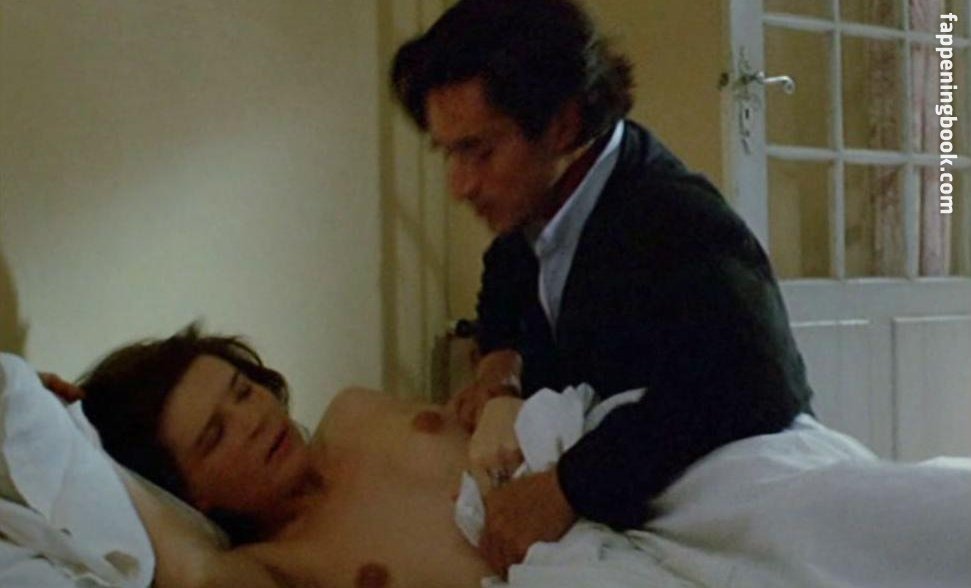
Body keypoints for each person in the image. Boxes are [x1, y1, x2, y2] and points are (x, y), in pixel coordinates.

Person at [391, 0, 814, 572]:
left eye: (479, 151)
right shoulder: (539, 206)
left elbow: (757, 382)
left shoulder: (673, 217)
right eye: (449, 153)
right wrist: (498, 364)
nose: (459, 185)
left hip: (748, 493)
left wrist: (566, 487)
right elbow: (508, 273)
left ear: (564, 123)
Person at [75, 325, 495, 587]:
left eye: (243, 391)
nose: (253, 420)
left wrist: (499, 394)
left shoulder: (354, 412)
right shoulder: (274, 566)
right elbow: (197, 576)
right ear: (192, 496)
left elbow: (501, 415)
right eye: (216, 436)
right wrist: (73, 435)